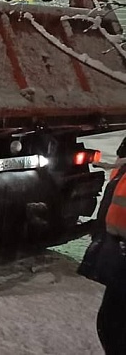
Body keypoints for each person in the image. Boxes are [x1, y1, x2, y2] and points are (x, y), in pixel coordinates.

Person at [79, 136, 126, 354]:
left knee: (113, 323)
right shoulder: (122, 172)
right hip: (116, 252)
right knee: (109, 323)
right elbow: (111, 207)